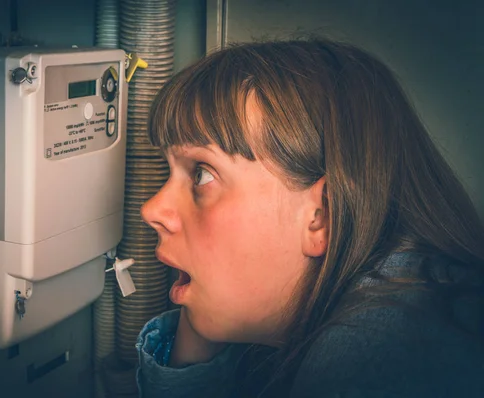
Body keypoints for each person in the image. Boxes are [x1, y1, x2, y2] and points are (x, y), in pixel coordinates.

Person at [136, 38, 484, 398]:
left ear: (321, 216)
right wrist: (198, 324)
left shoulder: (373, 368)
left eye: (201, 175)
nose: (152, 210)